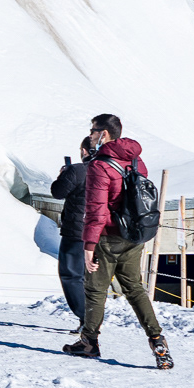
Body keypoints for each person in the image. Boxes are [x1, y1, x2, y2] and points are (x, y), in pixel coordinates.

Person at [66, 114, 174, 369]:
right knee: (135, 289)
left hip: (108, 236)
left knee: (95, 289)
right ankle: (157, 340)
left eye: (93, 131)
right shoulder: (136, 160)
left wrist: (89, 246)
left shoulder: (100, 166)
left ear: (104, 134)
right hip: (134, 236)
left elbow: (96, 209)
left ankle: (89, 342)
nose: (90, 135)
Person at [48, 136, 96, 325]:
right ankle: (90, 318)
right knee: (89, 277)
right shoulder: (111, 169)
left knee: (71, 274)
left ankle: (87, 319)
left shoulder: (77, 170)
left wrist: (63, 174)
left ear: (84, 151)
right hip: (103, 231)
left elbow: (57, 192)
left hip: (77, 231)